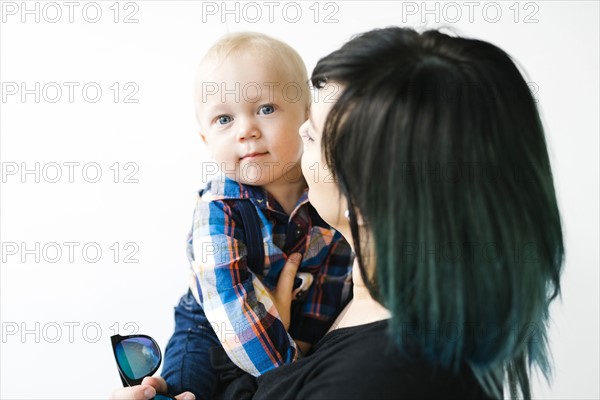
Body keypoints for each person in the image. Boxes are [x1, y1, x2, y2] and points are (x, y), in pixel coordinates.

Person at [112, 27, 564, 400]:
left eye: (310, 136)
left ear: (365, 195)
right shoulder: (382, 310)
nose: (266, 137)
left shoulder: (376, 379)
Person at [157, 32, 353, 399]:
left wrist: (305, 349)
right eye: (223, 119)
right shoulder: (218, 208)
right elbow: (230, 304)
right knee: (185, 387)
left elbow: (333, 281)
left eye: (265, 109)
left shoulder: (328, 197)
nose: (245, 130)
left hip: (291, 338)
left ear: (306, 118)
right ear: (206, 142)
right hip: (214, 331)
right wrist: (292, 373)